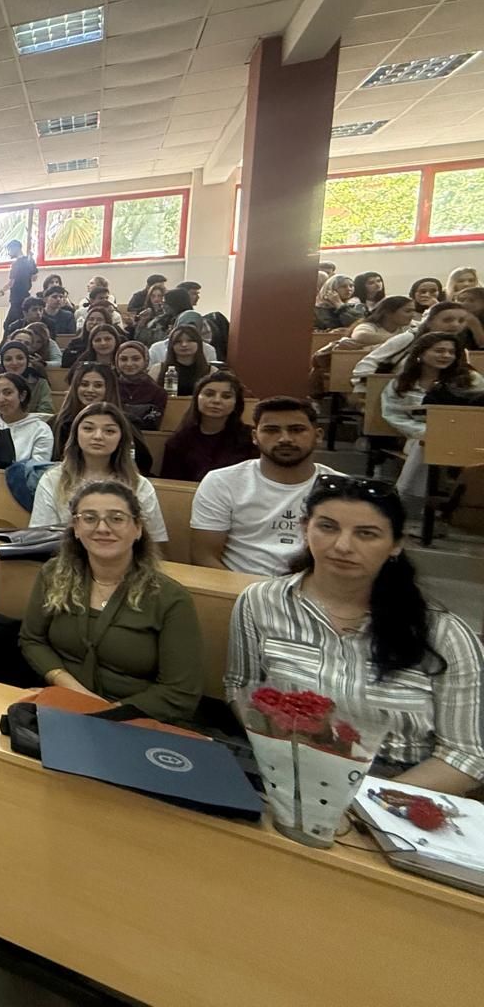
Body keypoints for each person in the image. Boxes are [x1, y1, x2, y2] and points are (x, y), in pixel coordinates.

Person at [225, 477, 483, 794]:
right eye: (327, 527)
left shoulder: (444, 633)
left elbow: (466, 755)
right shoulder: (261, 602)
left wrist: (367, 801)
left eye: (366, 534)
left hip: (396, 785)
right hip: (289, 769)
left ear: (396, 544)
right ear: (305, 528)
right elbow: (241, 686)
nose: (343, 546)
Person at [20, 481, 202, 723]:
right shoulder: (53, 575)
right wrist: (73, 692)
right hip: (61, 705)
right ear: (76, 528)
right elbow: (32, 640)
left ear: (138, 528)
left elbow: (180, 693)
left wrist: (106, 713)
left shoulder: (171, 599)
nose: (102, 528)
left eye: (116, 519)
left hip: (137, 721)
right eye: (89, 518)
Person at [191, 397, 332, 575]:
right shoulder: (221, 482)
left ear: (318, 436)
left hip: (313, 588)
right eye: (271, 430)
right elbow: (204, 557)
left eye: (297, 430)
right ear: (254, 437)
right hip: (238, 586)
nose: (285, 439)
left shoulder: (339, 487)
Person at [30, 404, 169, 544]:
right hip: (65, 554)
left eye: (109, 431)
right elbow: (40, 538)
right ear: (76, 434)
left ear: (121, 438)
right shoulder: (53, 479)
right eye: (88, 429)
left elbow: (156, 541)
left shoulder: (139, 484)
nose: (98, 436)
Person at [382, 332, 484, 497]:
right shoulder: (401, 382)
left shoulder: (470, 379)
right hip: (419, 435)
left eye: (451, 352)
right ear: (421, 353)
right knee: (425, 442)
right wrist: (427, 431)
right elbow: (393, 415)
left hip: (467, 434)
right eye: (439, 351)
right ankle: (407, 496)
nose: (446, 356)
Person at [351, 300, 479, 391]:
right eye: (447, 320)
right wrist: (363, 391)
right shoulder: (409, 338)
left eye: (461, 321)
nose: (455, 325)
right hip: (394, 395)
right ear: (430, 322)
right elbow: (368, 363)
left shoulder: (460, 350)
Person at [0, 372, 53, 465]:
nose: (1, 399)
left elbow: (37, 467)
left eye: (8, 393)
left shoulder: (40, 429)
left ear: (22, 396)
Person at [50, 363, 119, 452]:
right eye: (84, 384)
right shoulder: (56, 423)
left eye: (98, 385)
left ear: (109, 389)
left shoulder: (124, 422)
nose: (90, 390)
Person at [0, 343, 53, 416]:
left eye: (20, 358)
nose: (14, 363)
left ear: (27, 360)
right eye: (8, 359)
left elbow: (46, 412)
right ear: (2, 362)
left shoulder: (40, 383)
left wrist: (21, 420)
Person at [113, 341, 167, 430]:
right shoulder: (110, 387)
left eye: (136, 359)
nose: (129, 364)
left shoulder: (157, 392)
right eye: (123, 359)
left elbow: (154, 424)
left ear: (145, 361)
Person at [150, 324, 212, 396]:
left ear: (199, 343)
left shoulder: (211, 371)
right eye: (178, 341)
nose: (184, 344)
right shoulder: (157, 370)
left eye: (190, 341)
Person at [349, 295, 417, 346]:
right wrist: (403, 339)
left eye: (413, 311)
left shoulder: (410, 325)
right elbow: (360, 336)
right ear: (388, 313)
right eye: (408, 311)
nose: (413, 315)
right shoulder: (370, 326)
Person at [0, 239, 38, 330]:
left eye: (9, 250)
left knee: (8, 325)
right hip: (25, 297)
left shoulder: (16, 264)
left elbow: (11, 283)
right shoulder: (30, 261)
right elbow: (34, 278)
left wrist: (2, 291)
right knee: (21, 323)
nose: (9, 253)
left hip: (16, 298)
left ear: (16, 248)